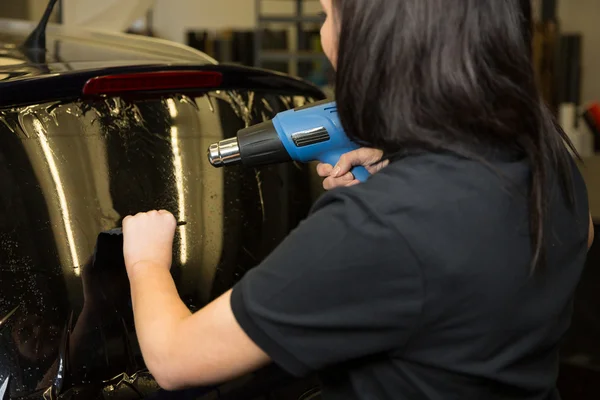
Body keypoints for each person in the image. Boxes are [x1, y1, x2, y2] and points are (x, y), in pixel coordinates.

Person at [121, 0, 595, 398]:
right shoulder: (548, 157)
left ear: (375, 40)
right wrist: (408, 170)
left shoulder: (383, 226)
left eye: (328, 15)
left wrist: (146, 260)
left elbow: (174, 358)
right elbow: (580, 236)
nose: (325, 34)